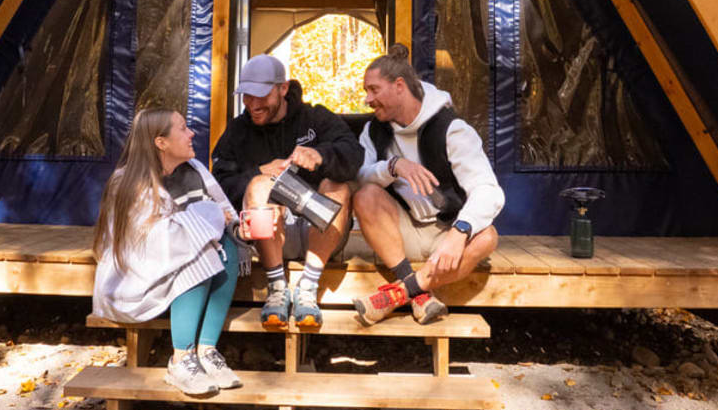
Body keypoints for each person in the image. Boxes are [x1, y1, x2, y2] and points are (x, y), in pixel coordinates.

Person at [92, 108, 243, 397]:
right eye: (183, 128)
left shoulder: (196, 170)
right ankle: (181, 359)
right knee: (196, 253)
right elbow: (158, 246)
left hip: (165, 268)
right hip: (134, 278)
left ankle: (207, 350)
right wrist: (209, 214)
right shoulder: (130, 182)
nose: (192, 133)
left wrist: (235, 227)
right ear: (161, 142)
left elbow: (224, 213)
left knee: (228, 248)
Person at [352, 44, 503, 325]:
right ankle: (417, 291)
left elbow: (488, 190)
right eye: (366, 92)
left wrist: (460, 232)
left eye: (373, 90)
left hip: (446, 235)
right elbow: (359, 176)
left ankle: (405, 291)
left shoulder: (452, 129)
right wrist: (393, 167)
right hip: (399, 235)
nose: (367, 100)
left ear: (399, 85)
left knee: (488, 236)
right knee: (365, 196)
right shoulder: (374, 130)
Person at [212, 54, 362, 329]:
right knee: (259, 184)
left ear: (283, 88)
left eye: (261, 95)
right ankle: (277, 286)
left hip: (323, 233)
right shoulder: (238, 130)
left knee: (337, 186)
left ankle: (308, 287)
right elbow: (217, 182)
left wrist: (320, 156)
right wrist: (258, 171)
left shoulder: (315, 117)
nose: (253, 104)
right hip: (264, 236)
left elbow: (355, 155)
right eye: (247, 96)